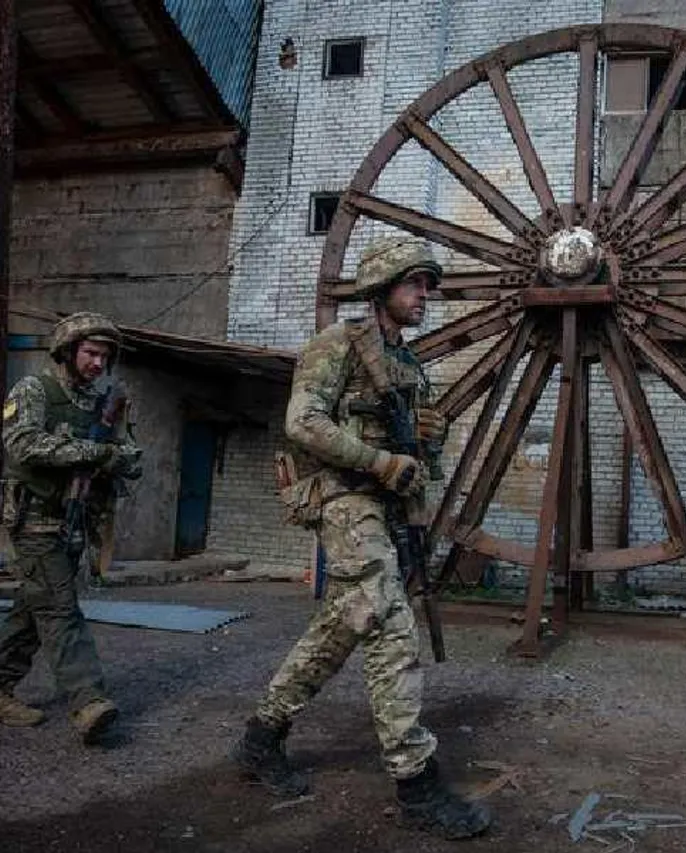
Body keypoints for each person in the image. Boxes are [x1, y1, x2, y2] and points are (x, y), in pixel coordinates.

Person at [231, 237, 490, 839]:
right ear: (381, 288)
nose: (425, 295)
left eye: (429, 285)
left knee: (341, 626)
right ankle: (416, 785)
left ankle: (259, 738)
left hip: (388, 508)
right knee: (388, 622)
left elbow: (420, 455)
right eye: (414, 284)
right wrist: (379, 463)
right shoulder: (337, 346)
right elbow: (303, 423)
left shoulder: (408, 365)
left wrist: (427, 447)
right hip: (344, 498)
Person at [0, 312, 142, 745]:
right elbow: (23, 444)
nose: (98, 363)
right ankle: (88, 701)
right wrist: (93, 452)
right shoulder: (35, 391)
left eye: (104, 356)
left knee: (34, 607)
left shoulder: (103, 405)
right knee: (60, 609)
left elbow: (131, 455)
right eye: (90, 353)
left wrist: (113, 457)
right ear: (68, 351)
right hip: (35, 521)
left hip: (75, 521)